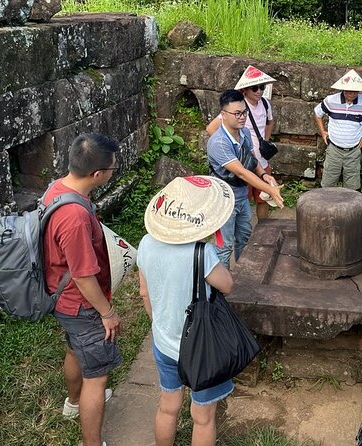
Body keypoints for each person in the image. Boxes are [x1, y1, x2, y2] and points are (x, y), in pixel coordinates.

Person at [138, 176, 236, 446]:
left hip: (164, 341)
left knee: (168, 406)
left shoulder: (146, 243)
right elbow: (227, 285)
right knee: (203, 417)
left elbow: (144, 292)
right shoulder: (201, 252)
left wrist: (158, 324)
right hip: (201, 348)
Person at [43, 133, 122, 446]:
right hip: (80, 303)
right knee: (97, 378)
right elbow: (83, 275)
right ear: (97, 174)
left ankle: (73, 404)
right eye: (112, 169)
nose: (112, 172)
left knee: (75, 349)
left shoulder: (57, 188)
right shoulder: (74, 217)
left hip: (60, 296)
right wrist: (107, 312)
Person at [206, 89, 284, 268]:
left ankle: (243, 280)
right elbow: (241, 172)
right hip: (222, 200)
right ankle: (221, 292)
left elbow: (251, 160)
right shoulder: (219, 142)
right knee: (223, 247)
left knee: (245, 238)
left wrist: (264, 175)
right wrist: (269, 189)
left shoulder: (244, 134)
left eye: (244, 112)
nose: (242, 117)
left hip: (241, 196)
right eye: (237, 113)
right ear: (223, 115)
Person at [206, 65, 277, 220]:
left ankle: (261, 232)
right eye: (254, 88)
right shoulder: (236, 107)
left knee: (263, 199)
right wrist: (231, 147)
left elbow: (270, 122)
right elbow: (212, 128)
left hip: (259, 159)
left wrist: (264, 140)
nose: (259, 91)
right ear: (245, 89)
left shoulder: (265, 104)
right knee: (243, 198)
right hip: (242, 162)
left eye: (262, 87)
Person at [314, 69, 362, 190]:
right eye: (349, 91)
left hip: (353, 149)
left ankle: (351, 208)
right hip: (334, 148)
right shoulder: (331, 100)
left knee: (352, 185)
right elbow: (317, 113)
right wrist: (322, 132)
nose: (351, 94)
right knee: (328, 182)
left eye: (355, 92)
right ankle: (327, 206)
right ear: (343, 89)